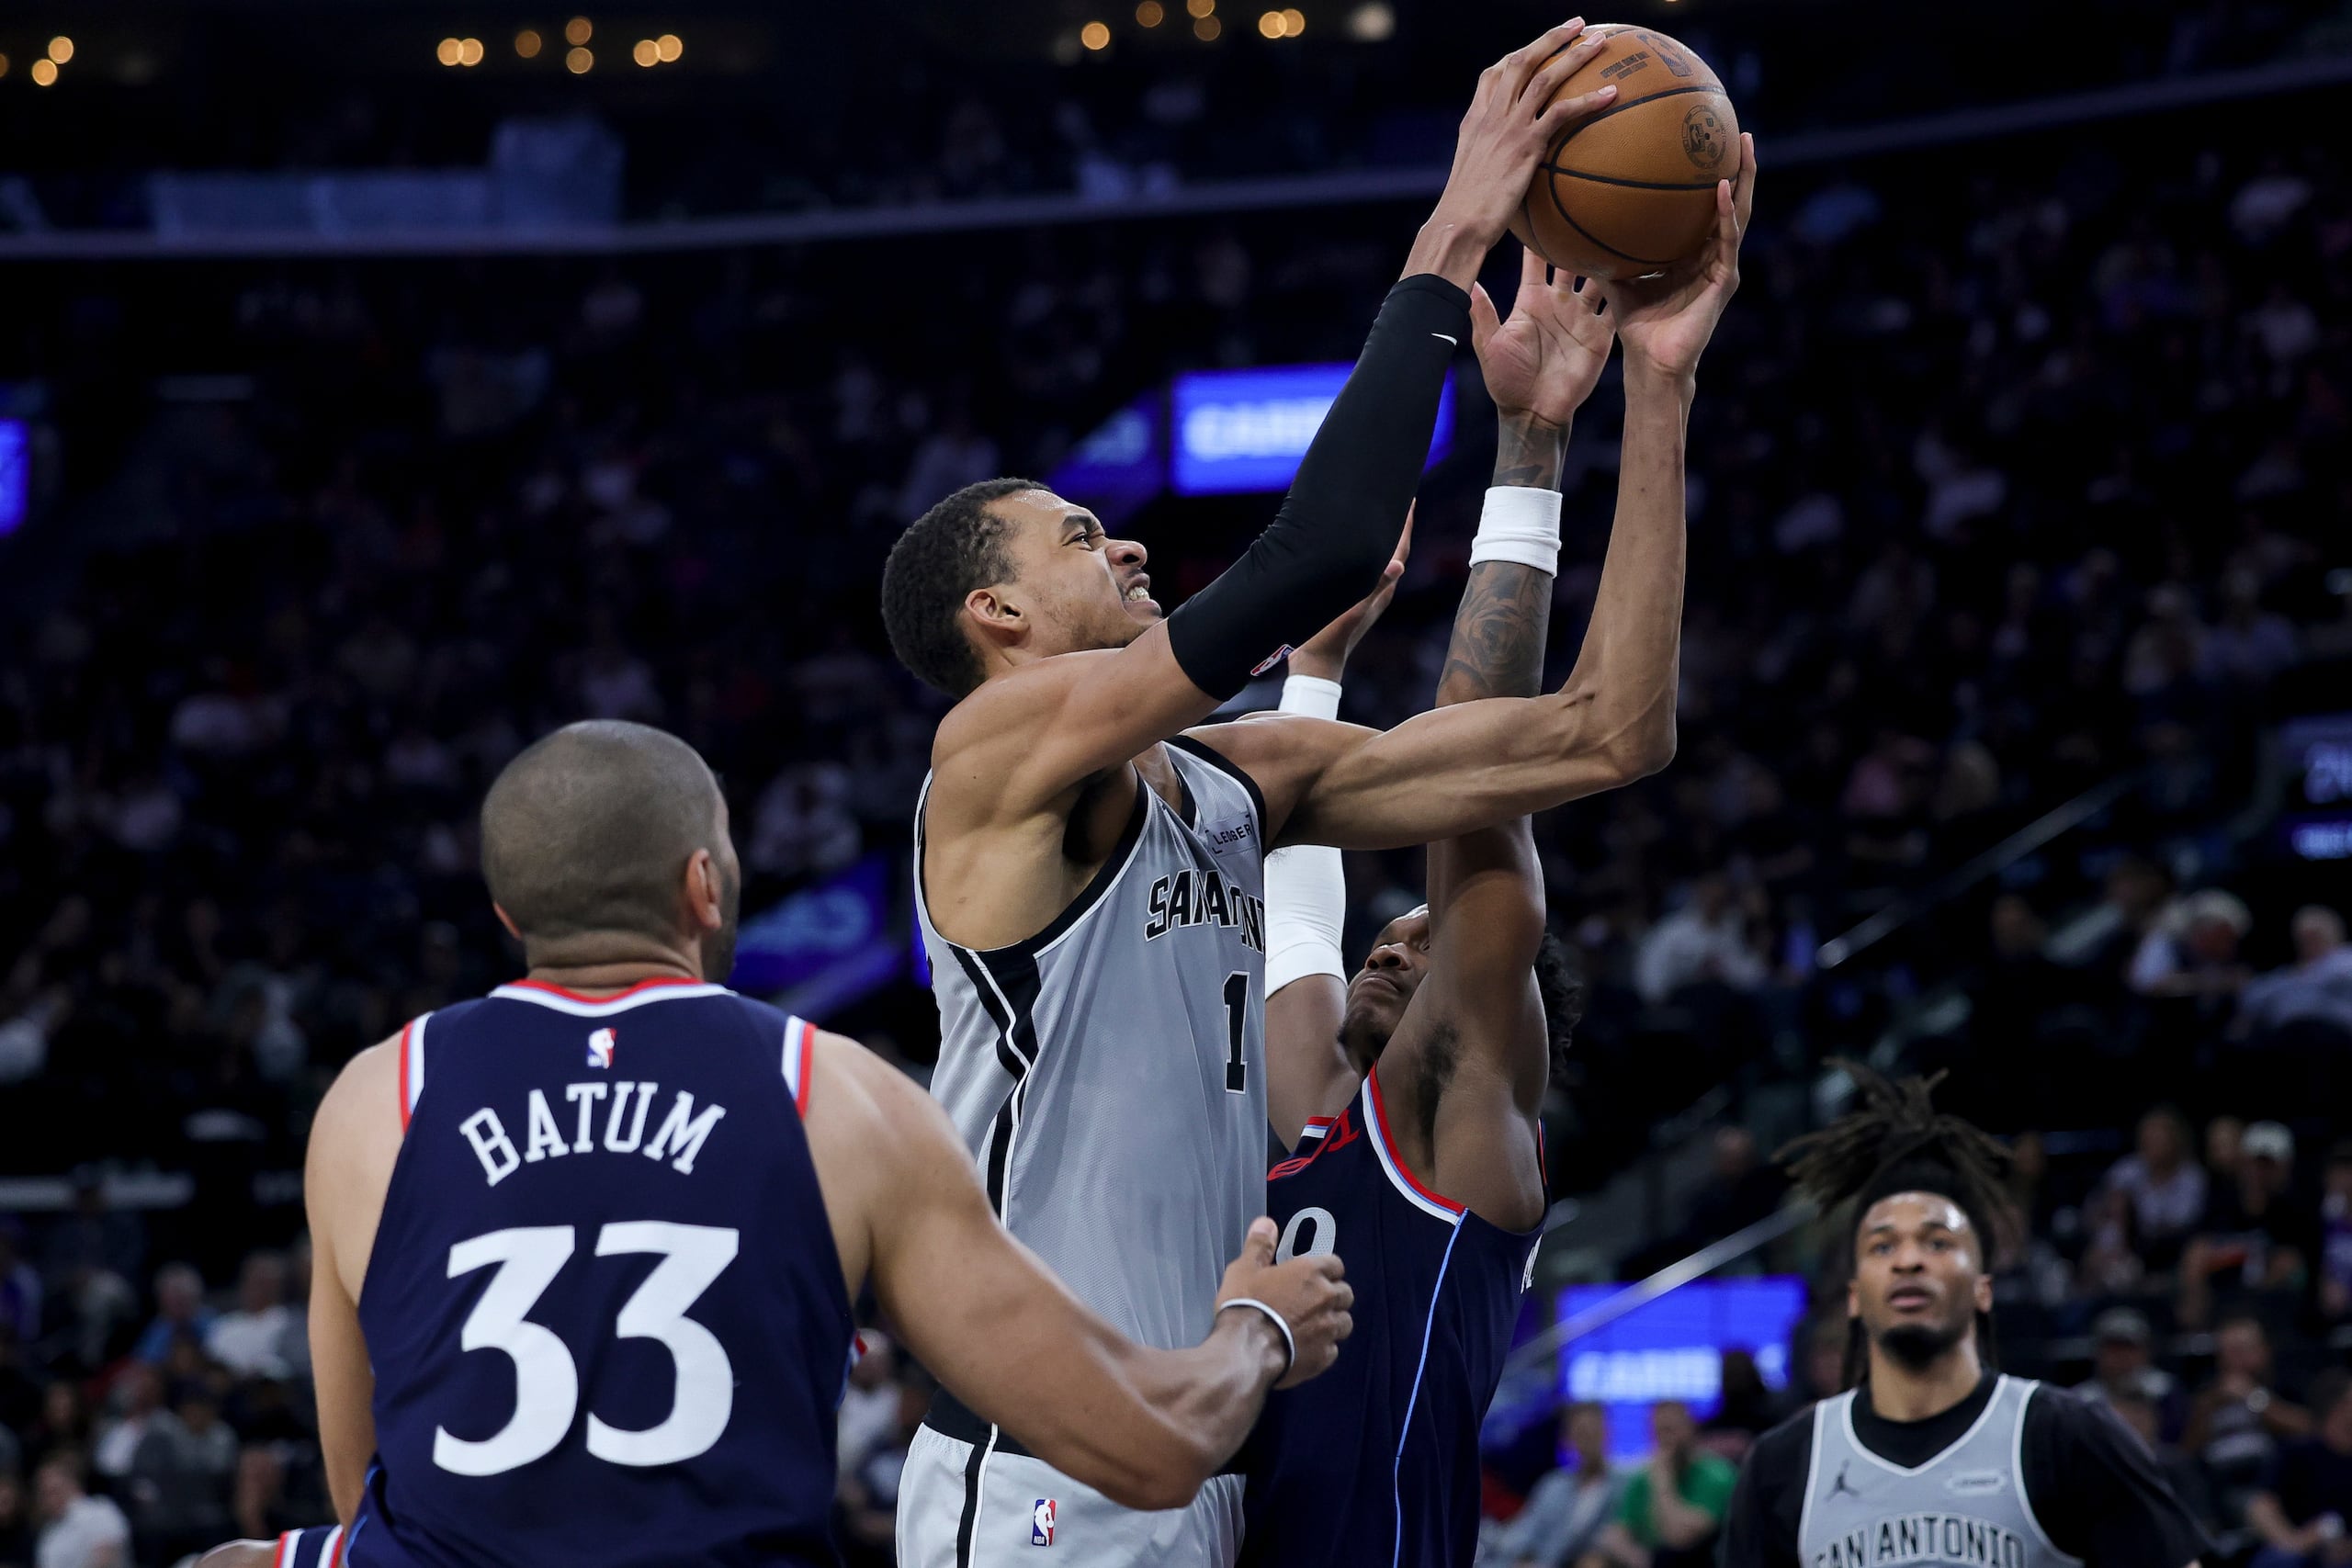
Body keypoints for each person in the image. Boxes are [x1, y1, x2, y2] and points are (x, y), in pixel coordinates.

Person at [881, 24, 1672, 1565]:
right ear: (1000, 621)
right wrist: (1456, 228)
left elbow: (1592, 738)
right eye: (1074, 536)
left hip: (1200, 1446)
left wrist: (1565, 428)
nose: (1119, 546)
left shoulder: (1231, 783)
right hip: (1038, 1467)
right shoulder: (985, 767)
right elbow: (1312, 551)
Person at [300, 721, 1353, 1568]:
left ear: (505, 912)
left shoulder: (374, 1101)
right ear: (705, 886)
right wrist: (1259, 1327)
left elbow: (361, 1489)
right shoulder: (834, 1095)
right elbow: (1150, 1449)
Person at [1242, 135, 1755, 1568]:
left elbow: (1481, 771)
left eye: (1416, 941)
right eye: (1384, 935)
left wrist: (1536, 446)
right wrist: (1315, 677)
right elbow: (1292, 915)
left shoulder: (1456, 1140)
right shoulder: (1308, 1118)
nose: (1387, 937)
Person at [1716, 1064, 2210, 1567]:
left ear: (1982, 1289)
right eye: (1882, 1246)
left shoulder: (2066, 1437)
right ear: (1854, 1297)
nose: (1908, 1260)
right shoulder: (1784, 1465)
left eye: (1937, 1241)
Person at [1579, 1401, 1735, 1568]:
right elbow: (1616, 1533)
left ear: (1691, 1428)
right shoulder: (1642, 1478)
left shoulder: (1717, 1475)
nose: (1665, 1439)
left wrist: (1663, 1480)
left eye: (1671, 1430)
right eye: (1658, 1431)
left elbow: (1679, 1537)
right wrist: (1639, 1558)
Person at [1491, 1404, 1623, 1568]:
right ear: (1568, 1439)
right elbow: (1524, 1532)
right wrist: (1522, 1557)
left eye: (1594, 1431)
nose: (1588, 1440)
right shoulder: (1553, 1485)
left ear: (1607, 1432)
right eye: (1582, 1433)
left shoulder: (1623, 1486)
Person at [2245, 1369, 2352, 1568]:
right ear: (2340, 1407)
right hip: (2296, 1547)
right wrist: (2294, 1542)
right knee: (2277, 1561)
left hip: (2345, 1553)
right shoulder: (2296, 1452)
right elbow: (2261, 1508)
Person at [28, 1450, 128, 1568]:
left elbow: (106, 1558)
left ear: (72, 1484)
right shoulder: (49, 1531)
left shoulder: (99, 1510)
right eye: (44, 1493)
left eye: (54, 1490)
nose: (49, 1499)